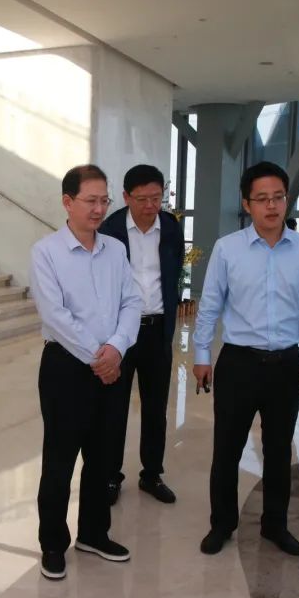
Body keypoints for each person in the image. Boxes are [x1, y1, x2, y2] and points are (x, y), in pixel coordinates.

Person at [193, 161, 299, 558]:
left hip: (285, 365)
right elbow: (210, 305)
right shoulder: (228, 248)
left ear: (287, 200)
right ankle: (222, 524)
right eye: (262, 199)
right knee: (227, 450)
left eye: (278, 197)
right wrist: (202, 355)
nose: (271, 206)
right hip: (238, 364)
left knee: (279, 451)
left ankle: (275, 525)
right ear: (247, 204)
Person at [29, 164, 143, 581]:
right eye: (90, 200)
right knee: (59, 460)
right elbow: (55, 316)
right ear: (67, 202)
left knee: (104, 456)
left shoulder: (115, 249)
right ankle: (53, 544)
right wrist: (100, 357)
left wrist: (117, 348)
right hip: (66, 368)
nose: (99, 209)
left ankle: (94, 534)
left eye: (104, 201)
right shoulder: (46, 252)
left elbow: (132, 301)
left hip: (112, 362)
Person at [99, 165, 184, 506]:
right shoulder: (110, 230)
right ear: (126, 197)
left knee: (155, 408)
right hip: (121, 332)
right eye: (142, 199)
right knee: (114, 408)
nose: (150, 206)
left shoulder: (171, 227)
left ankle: (151, 474)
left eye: (156, 198)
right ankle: (111, 476)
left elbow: (173, 274)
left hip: (157, 330)